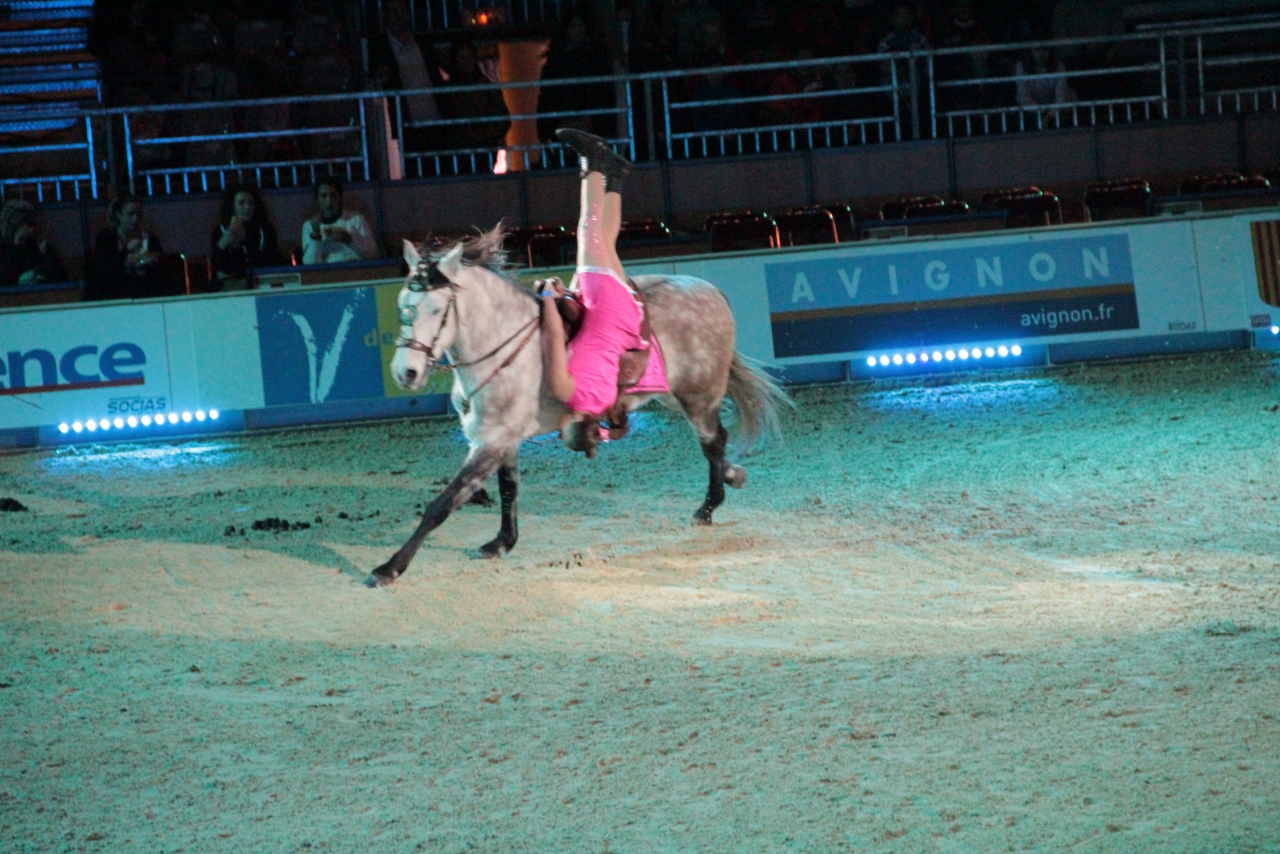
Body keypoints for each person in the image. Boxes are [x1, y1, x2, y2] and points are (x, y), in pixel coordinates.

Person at [539, 128, 650, 458]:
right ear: (573, 420)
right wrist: (547, 298)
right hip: (604, 310)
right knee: (588, 232)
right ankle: (593, 158)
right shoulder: (564, 392)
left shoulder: (604, 404)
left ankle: (616, 175)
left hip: (623, 320)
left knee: (606, 240)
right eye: (561, 430)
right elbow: (552, 337)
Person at [368, 0, 443, 151]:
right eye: (394, 12)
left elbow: (436, 72)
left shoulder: (422, 42)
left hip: (433, 118)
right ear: (386, 16)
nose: (399, 16)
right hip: (406, 122)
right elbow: (375, 78)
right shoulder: (379, 46)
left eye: (403, 11)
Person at [87, 194, 169, 301]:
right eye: (130, 214)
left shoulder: (150, 238)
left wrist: (155, 260)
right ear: (119, 215)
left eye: (138, 215)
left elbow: (162, 273)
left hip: (145, 295)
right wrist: (125, 251)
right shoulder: (106, 238)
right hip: (115, 297)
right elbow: (105, 271)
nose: (135, 219)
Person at [210, 184, 283, 289]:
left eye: (250, 203)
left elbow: (271, 259)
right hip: (231, 286)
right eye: (241, 203)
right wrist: (223, 243)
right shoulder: (220, 231)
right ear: (232, 206)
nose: (247, 207)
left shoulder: (265, 230)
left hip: (261, 282)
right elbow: (220, 266)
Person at [300, 177, 378, 265]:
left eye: (333, 195)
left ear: (340, 197)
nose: (329, 201)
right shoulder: (309, 226)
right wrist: (316, 235)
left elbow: (373, 256)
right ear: (317, 199)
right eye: (324, 196)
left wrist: (349, 241)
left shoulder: (357, 220)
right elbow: (310, 264)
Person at [0, 200, 68, 289]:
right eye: (21, 224)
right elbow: (4, 283)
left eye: (30, 223)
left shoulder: (39, 250)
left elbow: (62, 281)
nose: (27, 228)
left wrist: (44, 248)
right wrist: (17, 246)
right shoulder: (5, 254)